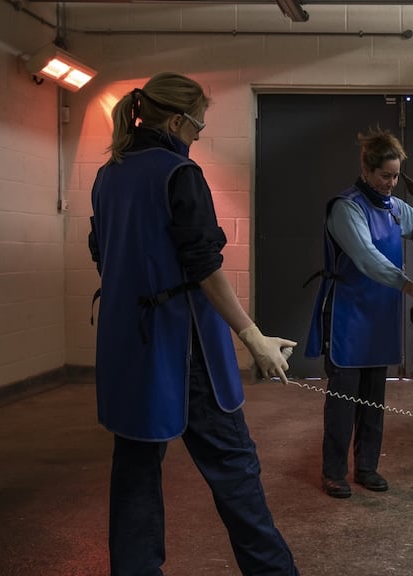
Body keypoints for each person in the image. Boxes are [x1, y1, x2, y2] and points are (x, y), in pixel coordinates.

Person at [88, 72, 299, 575]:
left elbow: (102, 252)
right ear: (179, 119)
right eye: (200, 122)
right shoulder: (179, 174)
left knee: (135, 473)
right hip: (185, 349)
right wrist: (253, 337)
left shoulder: (106, 174)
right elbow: (203, 266)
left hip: (126, 344)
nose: (202, 132)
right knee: (234, 467)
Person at [304, 128, 413, 499]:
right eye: (385, 175)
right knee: (343, 402)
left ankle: (367, 467)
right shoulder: (346, 207)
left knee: (374, 398)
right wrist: (407, 284)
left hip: (380, 317)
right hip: (348, 317)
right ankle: (334, 471)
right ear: (367, 170)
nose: (391, 182)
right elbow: (367, 258)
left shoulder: (396, 208)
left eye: (396, 175)